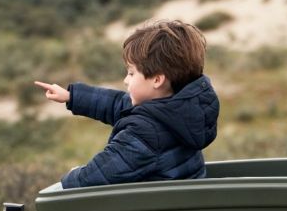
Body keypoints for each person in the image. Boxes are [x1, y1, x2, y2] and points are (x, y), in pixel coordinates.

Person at [35, 20, 219, 189]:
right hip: (180, 210)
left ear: (157, 80)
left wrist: (71, 177)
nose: (125, 80)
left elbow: (95, 176)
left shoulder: (145, 135)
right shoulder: (181, 111)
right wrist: (71, 96)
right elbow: (117, 104)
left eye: (131, 73)